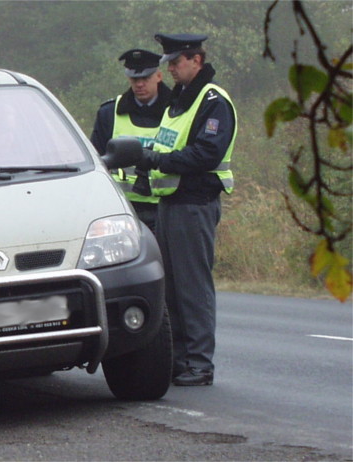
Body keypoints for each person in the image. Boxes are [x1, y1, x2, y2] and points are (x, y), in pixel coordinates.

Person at [138, 33, 237, 386]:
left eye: (177, 62)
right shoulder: (179, 101)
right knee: (173, 289)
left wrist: (158, 160)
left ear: (196, 60)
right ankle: (180, 359)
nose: (173, 69)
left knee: (193, 288)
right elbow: (169, 143)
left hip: (194, 203)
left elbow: (206, 154)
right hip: (170, 202)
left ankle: (199, 363)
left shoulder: (213, 101)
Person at [90, 49, 171, 232]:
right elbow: (97, 161)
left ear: (158, 76)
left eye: (145, 78)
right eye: (135, 79)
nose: (139, 84)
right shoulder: (109, 112)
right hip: (122, 207)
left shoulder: (176, 111)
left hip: (165, 206)